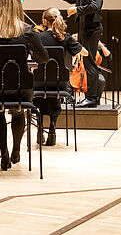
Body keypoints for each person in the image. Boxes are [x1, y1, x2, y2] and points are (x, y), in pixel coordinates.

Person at [0, 0, 48, 170]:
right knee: (18, 111)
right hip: (20, 87)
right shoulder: (28, 31)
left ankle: (4, 153)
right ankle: (16, 149)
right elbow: (43, 58)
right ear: (19, 8)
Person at [50, 0, 103, 108]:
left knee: (89, 63)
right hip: (86, 30)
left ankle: (91, 98)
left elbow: (96, 6)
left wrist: (77, 9)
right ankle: (93, 98)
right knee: (88, 63)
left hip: (91, 30)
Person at [34, 8, 87, 146]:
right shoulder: (65, 37)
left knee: (38, 94)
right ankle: (52, 128)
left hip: (40, 82)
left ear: (45, 21)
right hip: (59, 84)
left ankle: (40, 127)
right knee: (55, 94)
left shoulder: (38, 37)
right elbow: (85, 53)